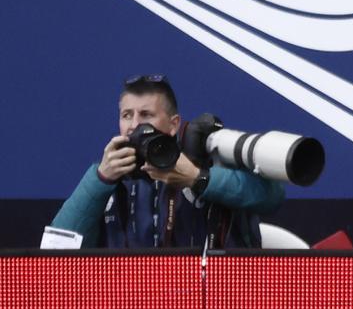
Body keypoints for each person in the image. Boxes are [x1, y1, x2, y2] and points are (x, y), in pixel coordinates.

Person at [51, 75, 284, 248]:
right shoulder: (107, 177)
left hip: (210, 299)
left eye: (146, 115)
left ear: (173, 124)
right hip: (131, 302)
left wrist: (197, 178)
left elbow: (272, 197)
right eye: (126, 115)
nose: (134, 125)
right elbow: (56, 248)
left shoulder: (205, 158)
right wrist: (100, 179)